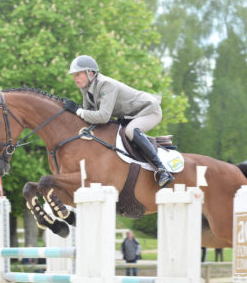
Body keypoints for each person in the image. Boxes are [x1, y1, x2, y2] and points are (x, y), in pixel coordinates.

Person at [65, 55, 174, 188]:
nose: (74, 78)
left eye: (77, 74)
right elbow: (88, 115)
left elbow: (103, 116)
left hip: (149, 111)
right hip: (130, 116)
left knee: (130, 131)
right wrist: (73, 113)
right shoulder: (86, 88)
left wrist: (78, 111)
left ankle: (162, 170)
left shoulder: (106, 85)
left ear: (91, 73)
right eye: (74, 75)